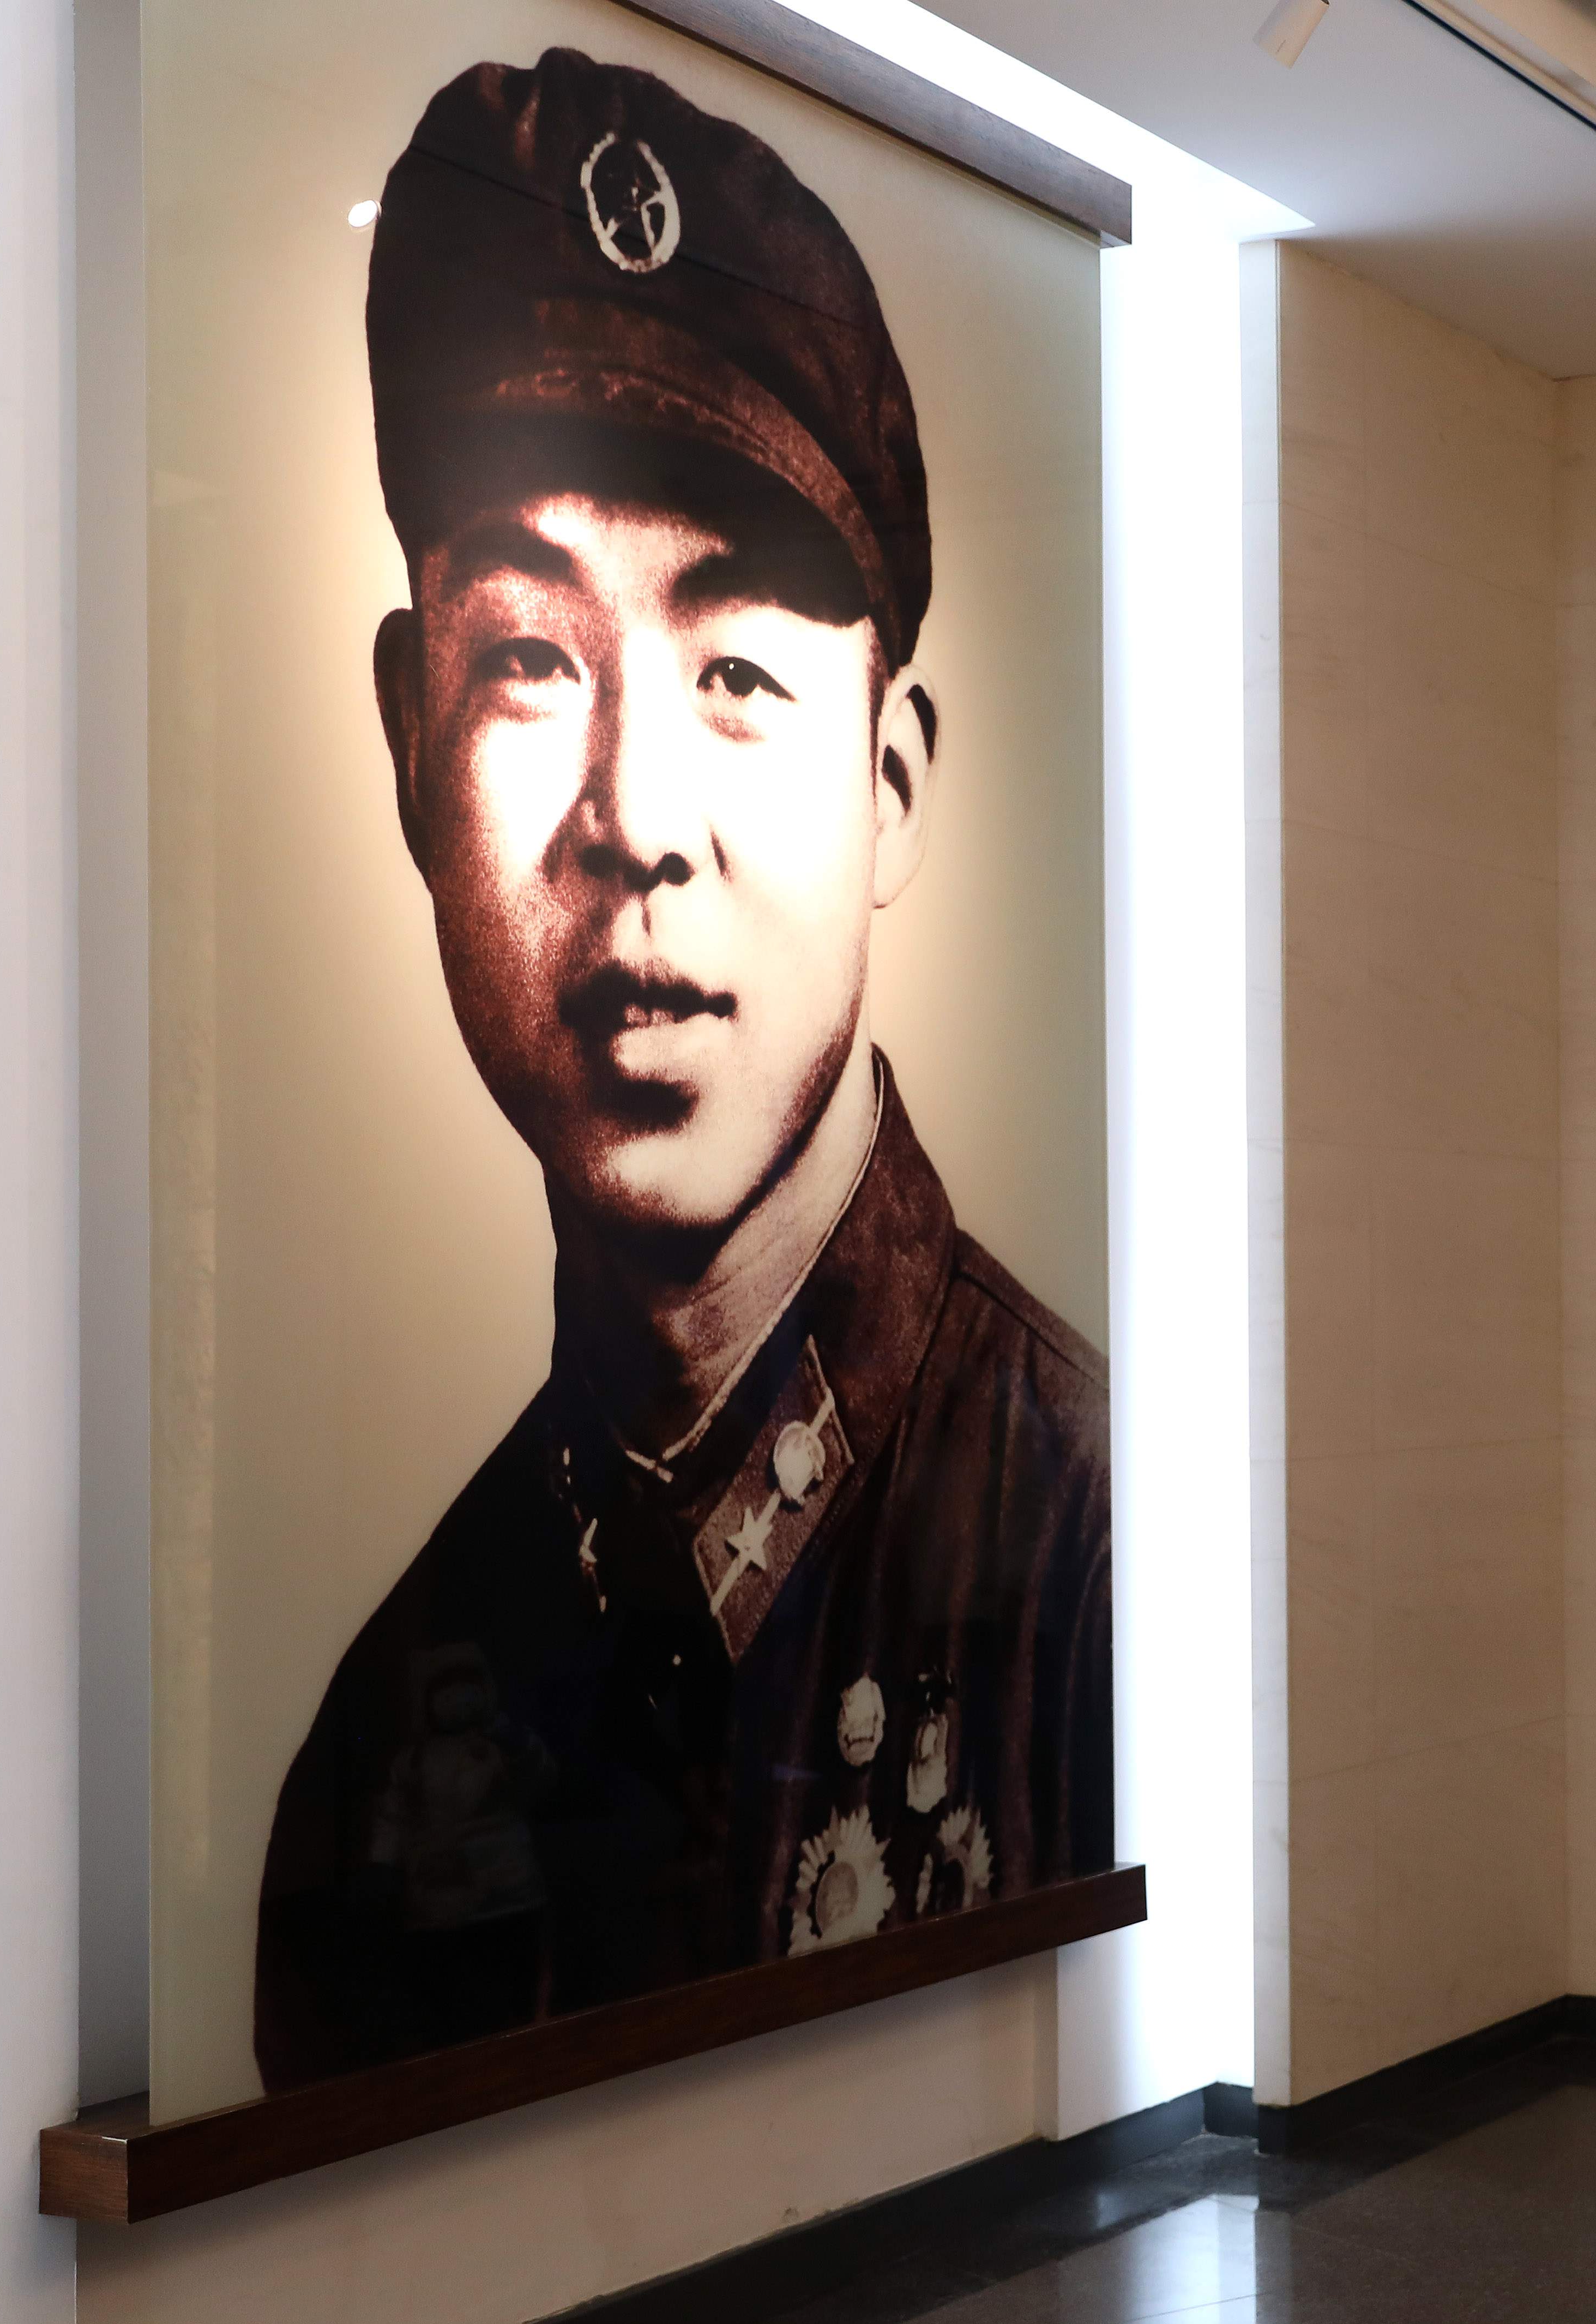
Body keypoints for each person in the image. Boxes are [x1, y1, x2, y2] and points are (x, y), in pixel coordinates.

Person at [254, 50, 1112, 2091]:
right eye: (529, 660)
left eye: (734, 671)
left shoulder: (1097, 1547)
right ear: (408, 743)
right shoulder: (388, 1725)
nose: (633, 815)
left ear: (888, 780)